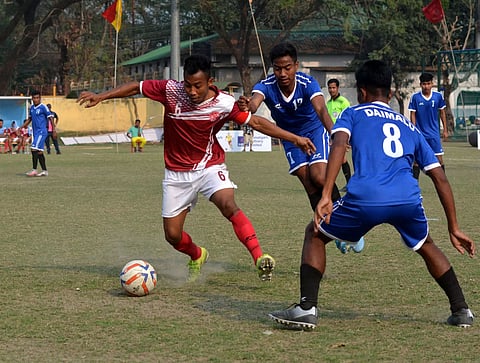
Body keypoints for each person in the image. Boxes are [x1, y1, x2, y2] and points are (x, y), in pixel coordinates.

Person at [269, 60, 475, 330]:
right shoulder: (409, 127)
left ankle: (307, 308)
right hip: (407, 200)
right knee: (426, 244)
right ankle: (462, 310)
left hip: (366, 197)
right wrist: (454, 227)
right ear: (389, 94)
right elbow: (440, 177)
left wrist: (327, 194)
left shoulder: (353, 114)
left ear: (362, 92)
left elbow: (339, 145)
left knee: (315, 233)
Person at [77, 54, 316, 282]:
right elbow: (136, 87)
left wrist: (294, 138)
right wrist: (102, 96)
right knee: (172, 235)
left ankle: (259, 257)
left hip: (209, 167)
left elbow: (256, 122)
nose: (191, 91)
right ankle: (197, 255)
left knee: (228, 204)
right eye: (188, 85)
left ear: (210, 82)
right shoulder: (171, 90)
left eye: (197, 86)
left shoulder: (224, 103)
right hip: (176, 174)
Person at [239, 42, 364, 253]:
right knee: (307, 180)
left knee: (319, 177)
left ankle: (349, 223)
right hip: (290, 138)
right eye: (278, 68)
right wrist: (247, 104)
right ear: (272, 68)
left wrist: (335, 134)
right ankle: (332, 230)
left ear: (296, 65)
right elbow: (254, 104)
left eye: (287, 67)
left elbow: (322, 110)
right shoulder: (267, 85)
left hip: (314, 131)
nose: (282, 73)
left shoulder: (308, 82)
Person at [408, 72, 448, 179]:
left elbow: (442, 113)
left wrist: (445, 130)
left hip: (434, 134)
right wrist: (413, 131)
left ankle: (443, 181)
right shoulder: (415, 98)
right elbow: (413, 115)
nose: (426, 86)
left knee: (439, 160)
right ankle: (414, 185)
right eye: (424, 84)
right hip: (420, 134)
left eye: (428, 84)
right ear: (420, 84)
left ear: (432, 84)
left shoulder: (438, 96)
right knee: (416, 161)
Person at [20, 91, 54, 177]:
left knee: (33, 149)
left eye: (37, 98)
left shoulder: (43, 107)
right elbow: (29, 119)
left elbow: (50, 118)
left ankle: (34, 170)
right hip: (35, 133)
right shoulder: (32, 108)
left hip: (42, 131)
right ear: (32, 98)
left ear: (40, 98)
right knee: (39, 152)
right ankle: (44, 171)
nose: (36, 99)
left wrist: (54, 130)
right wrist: (22, 127)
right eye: (34, 98)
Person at [326, 78, 352, 189]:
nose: (331, 90)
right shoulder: (328, 103)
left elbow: (347, 119)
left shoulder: (344, 102)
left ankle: (349, 184)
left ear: (337, 88)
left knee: (341, 159)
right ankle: (348, 183)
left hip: (340, 135)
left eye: (333, 88)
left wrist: (346, 139)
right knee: (336, 159)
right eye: (330, 88)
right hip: (329, 135)